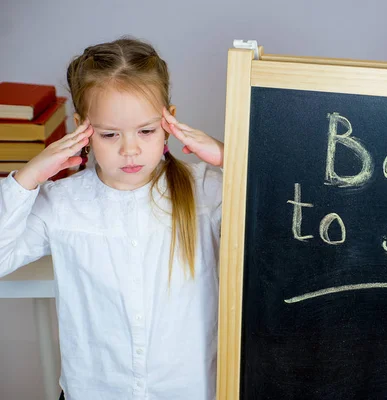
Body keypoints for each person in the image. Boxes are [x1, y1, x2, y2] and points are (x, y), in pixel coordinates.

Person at [0, 36, 225, 399]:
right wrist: (30, 175)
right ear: (81, 128)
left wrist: (229, 156)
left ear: (170, 120)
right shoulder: (62, 204)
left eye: (147, 130)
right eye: (109, 134)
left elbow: (287, 217)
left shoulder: (208, 191)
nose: (129, 148)